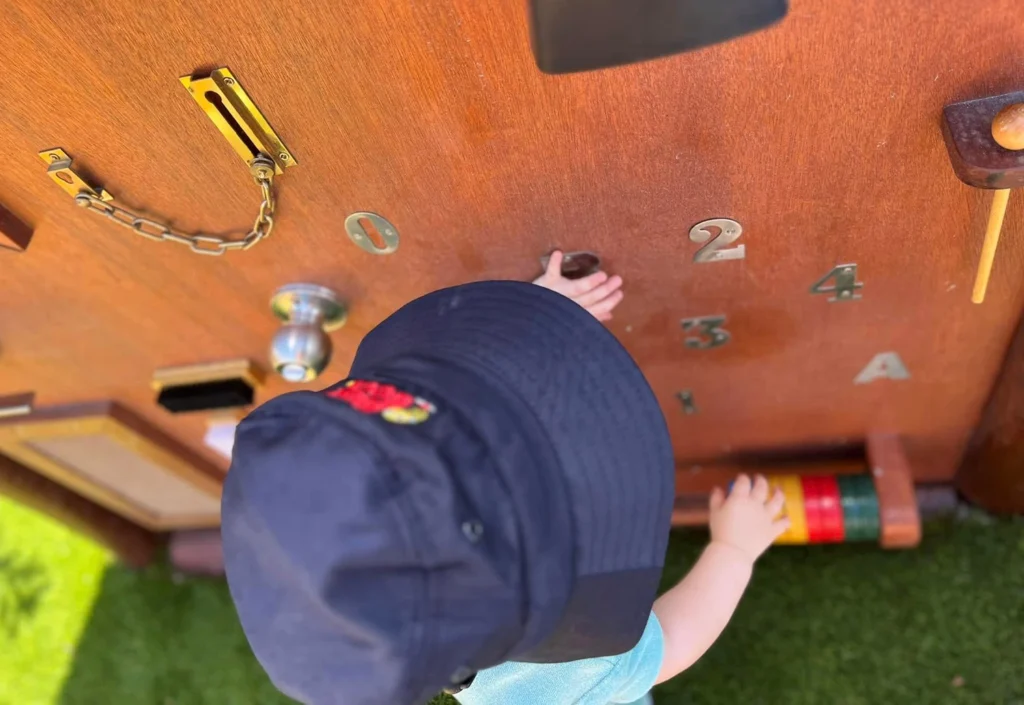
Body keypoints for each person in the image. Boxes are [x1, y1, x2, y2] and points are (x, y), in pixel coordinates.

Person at [220, 251, 788, 705]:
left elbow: (449, 392)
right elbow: (674, 642)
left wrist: (537, 321)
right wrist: (733, 549)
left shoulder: (441, 642)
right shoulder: (570, 674)